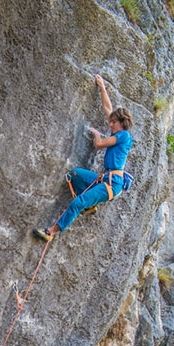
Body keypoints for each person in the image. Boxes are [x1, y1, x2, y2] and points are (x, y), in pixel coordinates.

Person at [33, 74, 133, 241]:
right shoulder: (118, 132)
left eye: (113, 122)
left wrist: (96, 135)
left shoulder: (125, 136)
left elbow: (99, 144)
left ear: (121, 122)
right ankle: (90, 205)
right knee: (75, 174)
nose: (110, 124)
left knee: (77, 203)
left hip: (112, 184)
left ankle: (50, 232)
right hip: (104, 180)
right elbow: (108, 109)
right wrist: (102, 87)